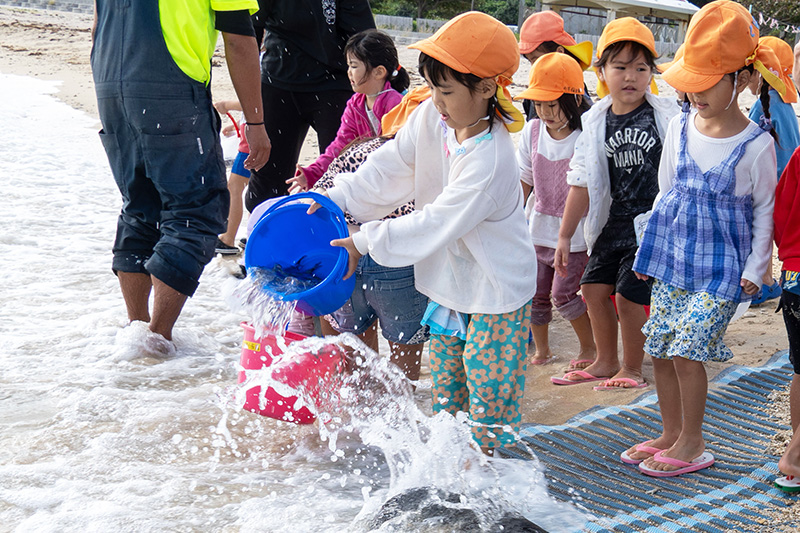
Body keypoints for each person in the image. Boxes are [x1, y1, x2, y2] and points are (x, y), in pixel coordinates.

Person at [310, 12, 537, 454]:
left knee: (489, 399)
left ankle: (489, 482)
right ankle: (455, 478)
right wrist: (331, 200)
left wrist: (365, 240)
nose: (436, 100)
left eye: (447, 91)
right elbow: (389, 170)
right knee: (449, 401)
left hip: (496, 293)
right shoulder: (433, 121)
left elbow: (435, 222)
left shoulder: (490, 159)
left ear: (487, 88)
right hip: (450, 285)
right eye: (432, 88)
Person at [627, 0, 780, 476]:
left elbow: (764, 212)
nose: (695, 92)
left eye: (708, 81)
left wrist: (757, 268)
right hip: (672, 260)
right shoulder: (677, 127)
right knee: (660, 346)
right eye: (689, 81)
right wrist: (647, 250)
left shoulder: (757, 145)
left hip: (719, 270)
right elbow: (666, 195)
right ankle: (670, 431)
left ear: (741, 79)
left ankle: (693, 441)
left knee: (689, 349)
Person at [92, 0, 270, 349]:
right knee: (195, 213)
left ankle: (136, 333)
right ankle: (157, 339)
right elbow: (238, 39)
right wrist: (256, 122)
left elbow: (98, 24)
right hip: (169, 86)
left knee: (139, 205)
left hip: (109, 82)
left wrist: (114, 91)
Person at [552, 18, 678, 386]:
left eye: (641, 68)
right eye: (620, 67)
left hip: (650, 225)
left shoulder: (665, 116)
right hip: (612, 222)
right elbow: (580, 182)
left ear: (651, 73)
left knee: (626, 297)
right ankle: (605, 361)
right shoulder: (594, 121)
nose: (631, 77)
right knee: (592, 289)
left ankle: (632, 369)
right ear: (601, 71)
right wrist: (564, 236)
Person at [245, 0, 375, 212]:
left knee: (342, 171)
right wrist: (249, 104)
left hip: (334, 82)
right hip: (278, 80)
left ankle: (335, 236)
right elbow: (250, 30)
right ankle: (263, 232)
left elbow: (363, 37)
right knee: (267, 178)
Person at [514, 53, 595, 367]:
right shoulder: (531, 132)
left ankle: (588, 348)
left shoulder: (584, 136)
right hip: (537, 229)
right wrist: (512, 220)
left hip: (574, 235)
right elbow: (524, 179)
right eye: (539, 103)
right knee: (535, 293)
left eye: (552, 104)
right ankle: (542, 351)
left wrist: (568, 234)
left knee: (564, 294)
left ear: (573, 100)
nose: (544, 111)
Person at [287, 29, 409, 194]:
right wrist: (312, 173)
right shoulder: (356, 104)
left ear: (379, 72)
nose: (349, 72)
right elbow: (340, 145)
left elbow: (395, 151)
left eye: (354, 66)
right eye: (348, 66)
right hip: (366, 176)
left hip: (392, 182)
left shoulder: (395, 103)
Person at [746, 36, 800, 305]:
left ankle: (765, 282)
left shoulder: (764, 105)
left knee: (762, 232)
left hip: (773, 183)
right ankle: (769, 281)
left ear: (762, 73)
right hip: (788, 184)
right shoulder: (785, 104)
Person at [774, 146, 800, 493]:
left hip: (795, 273)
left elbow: (780, 214)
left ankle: (796, 460)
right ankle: (794, 455)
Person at [517, 10, 593, 120]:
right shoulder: (534, 91)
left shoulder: (574, 89)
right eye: (531, 62)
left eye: (537, 60)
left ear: (560, 53)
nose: (534, 67)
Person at [213, 99, 251, 255]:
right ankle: (253, 232)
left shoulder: (260, 75)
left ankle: (228, 238)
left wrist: (226, 105)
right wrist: (237, 127)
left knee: (234, 187)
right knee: (257, 189)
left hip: (250, 144)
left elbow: (252, 103)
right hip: (251, 137)